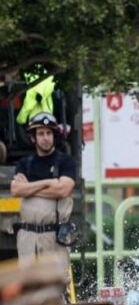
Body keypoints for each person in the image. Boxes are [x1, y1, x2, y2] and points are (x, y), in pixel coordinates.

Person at [10, 112, 77, 292]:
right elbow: (17, 190)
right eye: (40, 134)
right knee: (28, 292)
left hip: (53, 236)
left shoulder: (66, 162)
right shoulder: (24, 164)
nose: (45, 138)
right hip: (27, 237)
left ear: (54, 136)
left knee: (56, 290)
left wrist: (30, 188)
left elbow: (64, 189)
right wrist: (48, 183)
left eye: (49, 133)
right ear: (33, 138)